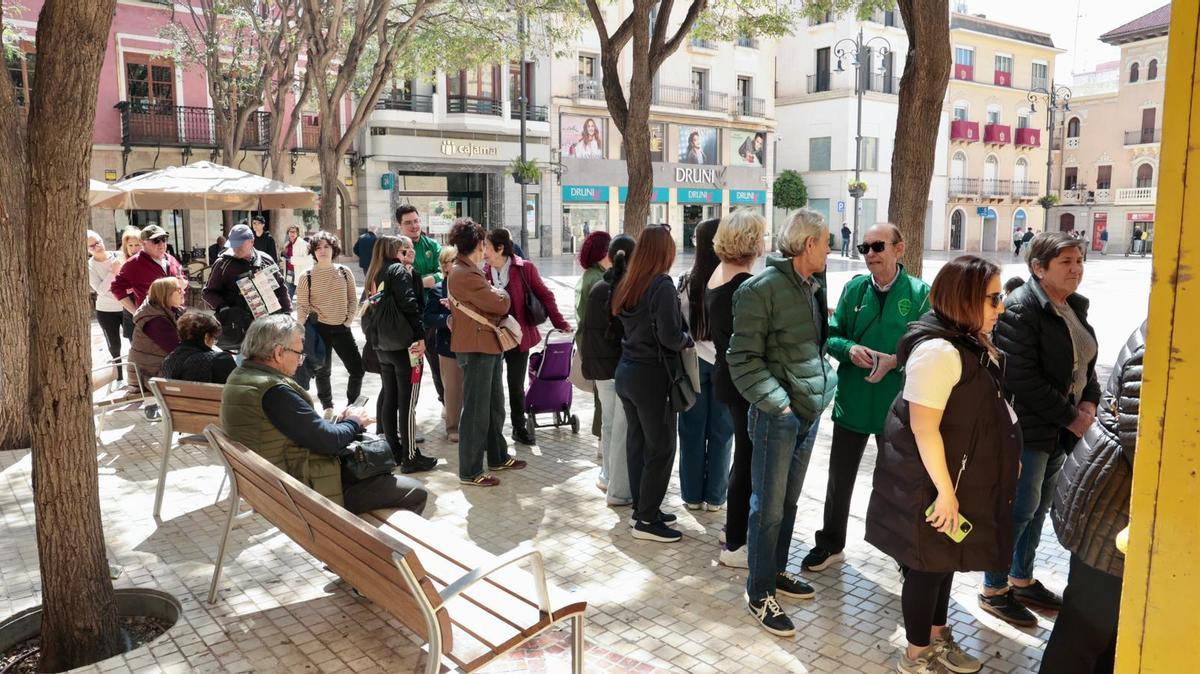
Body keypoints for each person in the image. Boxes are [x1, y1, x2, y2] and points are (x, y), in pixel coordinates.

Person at [865, 255, 1018, 674]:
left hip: (951, 480)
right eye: (992, 298)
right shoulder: (938, 352)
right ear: (966, 300)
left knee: (943, 561)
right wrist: (947, 494)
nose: (1000, 307)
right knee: (925, 565)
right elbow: (924, 429)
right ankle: (916, 655)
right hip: (930, 485)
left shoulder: (966, 342)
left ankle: (936, 635)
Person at [980, 231, 1099, 627]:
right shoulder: (1021, 309)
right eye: (1065, 262)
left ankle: (1021, 578)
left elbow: (1085, 364)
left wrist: (1090, 401)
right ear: (1038, 268)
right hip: (1028, 430)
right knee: (1019, 510)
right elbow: (1021, 379)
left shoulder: (1071, 306)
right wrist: (1073, 417)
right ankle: (994, 589)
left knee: (1038, 509)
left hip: (1058, 432)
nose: (1076, 269)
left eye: (1079, 260)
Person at [727, 208, 836, 636]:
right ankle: (758, 591)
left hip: (807, 412)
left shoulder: (812, 285)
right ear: (809, 244)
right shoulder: (760, 290)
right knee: (767, 509)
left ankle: (773, 573)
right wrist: (781, 405)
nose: (830, 249)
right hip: (778, 417)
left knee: (788, 504)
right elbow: (743, 359)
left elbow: (811, 343)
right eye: (826, 242)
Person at [803, 223, 932, 574]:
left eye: (878, 247)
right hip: (854, 401)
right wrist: (850, 349)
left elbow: (929, 347)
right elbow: (830, 335)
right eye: (864, 248)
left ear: (899, 249)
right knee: (838, 479)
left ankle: (904, 552)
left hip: (898, 407)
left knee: (901, 484)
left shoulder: (921, 293)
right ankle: (830, 544)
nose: (871, 254)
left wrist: (896, 361)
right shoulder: (855, 288)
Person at [219, 315, 428, 515]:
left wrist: (338, 422)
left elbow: (300, 428)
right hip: (302, 490)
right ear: (278, 353)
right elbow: (328, 441)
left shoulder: (243, 376)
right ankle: (366, 550)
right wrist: (355, 422)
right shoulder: (274, 391)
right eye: (298, 354)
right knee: (415, 491)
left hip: (273, 484)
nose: (301, 361)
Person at [1040, 321, 1144, 674]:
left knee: (1107, 636)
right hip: (1110, 513)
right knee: (1083, 636)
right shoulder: (1164, 345)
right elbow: (1147, 449)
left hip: (1116, 508)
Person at [612, 225, 692, 542]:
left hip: (627, 371)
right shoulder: (661, 284)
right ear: (664, 252)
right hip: (651, 376)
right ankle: (646, 520)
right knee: (661, 448)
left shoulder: (630, 281)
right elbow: (671, 336)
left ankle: (643, 509)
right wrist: (687, 340)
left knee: (638, 444)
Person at [706, 210, 766, 569]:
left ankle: (733, 529)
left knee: (740, 458)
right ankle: (736, 544)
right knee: (745, 461)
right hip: (743, 381)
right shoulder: (745, 285)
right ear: (751, 241)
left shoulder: (718, 273)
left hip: (726, 377)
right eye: (760, 235)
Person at [447, 218, 527, 487]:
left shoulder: (467, 269)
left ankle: (498, 456)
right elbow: (499, 303)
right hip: (477, 347)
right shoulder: (465, 273)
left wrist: (495, 294)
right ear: (479, 244)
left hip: (485, 345)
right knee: (476, 411)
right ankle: (470, 470)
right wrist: (501, 294)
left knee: (493, 405)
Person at [483, 227, 571, 445]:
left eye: (486, 246)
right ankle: (490, 432)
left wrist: (560, 322)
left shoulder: (524, 268)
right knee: (490, 385)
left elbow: (546, 296)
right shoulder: (484, 272)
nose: (483, 250)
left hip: (517, 336)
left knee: (515, 384)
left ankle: (518, 427)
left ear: (500, 248)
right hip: (491, 337)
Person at [362, 235, 438, 474]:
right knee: (407, 401)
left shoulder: (374, 273)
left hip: (382, 346)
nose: (405, 252)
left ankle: (393, 451)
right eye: (401, 248)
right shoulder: (396, 270)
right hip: (404, 345)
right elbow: (410, 303)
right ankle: (410, 456)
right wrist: (420, 337)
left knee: (391, 398)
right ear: (394, 250)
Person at [678, 219, 733, 512]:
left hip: (694, 362)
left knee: (691, 429)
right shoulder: (733, 278)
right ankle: (715, 497)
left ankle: (691, 495)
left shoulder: (688, 279)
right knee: (723, 431)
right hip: (725, 361)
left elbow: (681, 322)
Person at [582, 234, 637, 508]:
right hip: (620, 369)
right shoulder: (627, 290)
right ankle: (619, 490)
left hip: (601, 370)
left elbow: (588, 333)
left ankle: (607, 476)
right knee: (621, 428)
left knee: (609, 423)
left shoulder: (598, 288)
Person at [296, 231, 364, 413]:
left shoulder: (344, 271)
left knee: (357, 369)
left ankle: (352, 407)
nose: (323, 250)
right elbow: (302, 307)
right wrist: (298, 332)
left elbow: (352, 298)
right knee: (322, 372)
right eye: (318, 247)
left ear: (334, 249)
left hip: (342, 328)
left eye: (327, 246)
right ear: (313, 251)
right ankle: (328, 407)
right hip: (319, 330)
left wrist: (349, 320)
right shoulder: (306, 276)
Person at [203, 223, 292, 350]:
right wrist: (224, 308)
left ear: (252, 241)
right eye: (233, 244)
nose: (235, 248)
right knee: (244, 364)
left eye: (240, 244)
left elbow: (280, 287)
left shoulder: (266, 260)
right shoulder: (222, 263)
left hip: (267, 326)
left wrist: (287, 312)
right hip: (238, 328)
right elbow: (208, 292)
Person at [397, 205, 446, 405]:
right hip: (407, 318)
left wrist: (416, 281)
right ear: (399, 225)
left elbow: (442, 273)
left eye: (416, 221)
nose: (414, 226)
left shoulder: (432, 245)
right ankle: (409, 412)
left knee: (438, 364)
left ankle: (446, 403)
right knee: (411, 368)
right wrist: (427, 280)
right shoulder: (396, 247)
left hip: (432, 315)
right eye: (408, 222)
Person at [575, 230, 613, 443]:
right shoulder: (597, 278)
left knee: (601, 394)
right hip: (597, 345)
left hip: (590, 343)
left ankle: (602, 438)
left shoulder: (591, 274)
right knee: (603, 396)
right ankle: (602, 439)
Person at [424, 246, 463, 442]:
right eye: (451, 261)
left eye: (458, 260)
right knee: (452, 388)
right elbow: (428, 317)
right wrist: (446, 320)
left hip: (473, 344)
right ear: (444, 267)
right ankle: (452, 427)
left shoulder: (470, 286)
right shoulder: (437, 290)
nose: (455, 265)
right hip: (448, 347)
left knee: (471, 388)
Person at [110, 224, 187, 314]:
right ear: (143, 243)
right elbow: (116, 288)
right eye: (156, 240)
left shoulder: (171, 259)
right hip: (153, 319)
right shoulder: (134, 263)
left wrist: (183, 283)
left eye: (164, 239)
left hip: (176, 315)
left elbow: (184, 281)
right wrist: (135, 312)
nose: (162, 244)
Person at [129, 277, 187, 392]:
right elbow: (178, 350)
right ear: (166, 294)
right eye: (179, 290)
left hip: (158, 369)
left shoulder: (168, 310)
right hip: (148, 377)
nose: (184, 292)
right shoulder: (155, 321)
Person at [87, 230, 126, 378]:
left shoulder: (119, 256)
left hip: (126, 307)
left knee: (134, 341)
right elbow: (101, 290)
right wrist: (113, 272)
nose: (97, 247)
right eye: (92, 246)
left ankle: (136, 376)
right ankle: (119, 376)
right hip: (106, 311)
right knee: (114, 346)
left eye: (98, 242)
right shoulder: (90, 266)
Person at [160, 310, 237, 384]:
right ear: (206, 337)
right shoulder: (220, 359)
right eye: (214, 337)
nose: (214, 342)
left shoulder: (168, 361)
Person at [118, 227, 144, 343]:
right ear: (125, 247)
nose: (134, 249)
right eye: (130, 245)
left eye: (137, 244)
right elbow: (119, 291)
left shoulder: (153, 263)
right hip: (131, 310)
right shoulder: (122, 265)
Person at [281, 225, 312, 298]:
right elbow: (286, 258)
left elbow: (309, 260)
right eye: (290, 232)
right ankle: (289, 309)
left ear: (297, 233)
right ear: (288, 233)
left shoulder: (303, 244)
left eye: (294, 232)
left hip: (300, 273)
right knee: (288, 297)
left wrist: (292, 260)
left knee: (303, 297)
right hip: (289, 273)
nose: (292, 234)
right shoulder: (287, 244)